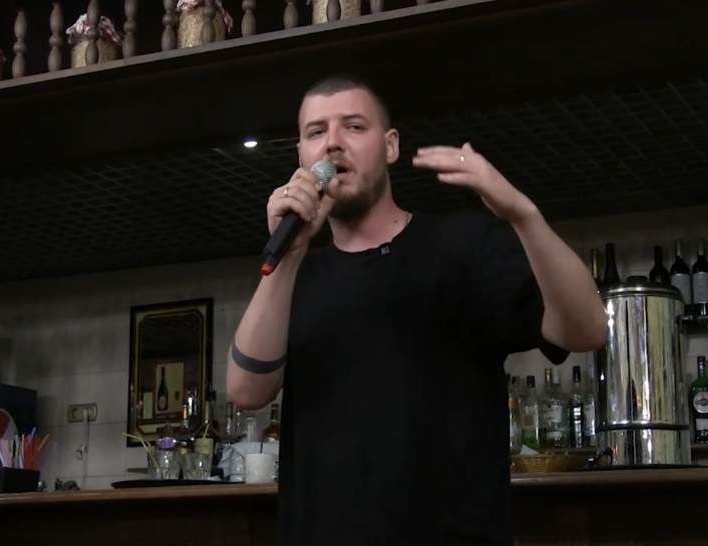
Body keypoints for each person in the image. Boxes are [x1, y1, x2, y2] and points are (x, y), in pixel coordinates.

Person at [227, 74, 606, 546]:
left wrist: (523, 215)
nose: (333, 143)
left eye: (354, 126)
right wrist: (290, 254)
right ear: (301, 156)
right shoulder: (297, 273)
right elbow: (246, 390)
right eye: (316, 132)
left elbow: (588, 330)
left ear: (390, 146)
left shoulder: (464, 246)